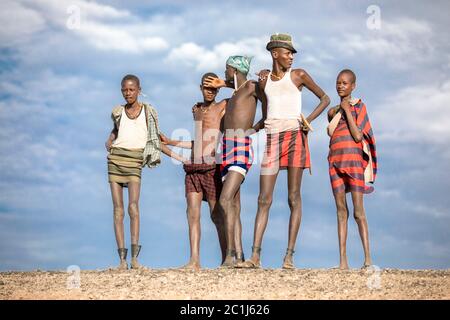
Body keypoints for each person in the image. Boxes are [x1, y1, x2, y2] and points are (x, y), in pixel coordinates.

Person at [238, 34, 330, 269]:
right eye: (287, 52)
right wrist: (252, 130)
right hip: (272, 140)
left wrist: (307, 120)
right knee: (263, 199)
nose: (291, 56)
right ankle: (255, 257)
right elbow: (267, 113)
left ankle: (289, 257)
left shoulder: (298, 75)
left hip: (295, 138)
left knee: (293, 197)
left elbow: (325, 98)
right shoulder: (264, 80)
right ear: (274, 53)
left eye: (292, 53)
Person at [105, 74, 185, 270]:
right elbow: (116, 130)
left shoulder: (148, 112)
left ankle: (135, 260)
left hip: (135, 161)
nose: (128, 93)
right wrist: (109, 139)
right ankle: (122, 262)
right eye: (124, 90)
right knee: (118, 210)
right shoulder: (117, 112)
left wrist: (180, 158)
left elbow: (156, 140)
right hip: (116, 160)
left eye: (131, 89)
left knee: (133, 208)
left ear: (139, 90)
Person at [203, 55, 264, 267]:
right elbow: (234, 83)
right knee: (234, 206)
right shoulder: (237, 92)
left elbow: (267, 97)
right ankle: (239, 256)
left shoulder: (251, 87)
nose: (224, 73)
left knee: (224, 200)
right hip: (226, 150)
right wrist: (225, 83)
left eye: (227, 69)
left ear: (234, 70)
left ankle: (229, 255)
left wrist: (254, 128)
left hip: (241, 149)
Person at [163, 73, 228, 270]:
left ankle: (227, 259)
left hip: (211, 166)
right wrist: (171, 142)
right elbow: (197, 141)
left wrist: (224, 83)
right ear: (200, 88)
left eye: (214, 88)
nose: (210, 91)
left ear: (218, 89)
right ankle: (194, 260)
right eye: (207, 87)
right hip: (193, 166)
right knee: (192, 213)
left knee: (217, 215)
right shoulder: (197, 109)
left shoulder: (223, 105)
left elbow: (245, 89)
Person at [327, 69, 377, 269]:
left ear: (353, 86)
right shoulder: (332, 112)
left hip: (354, 163)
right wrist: (340, 110)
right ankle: (343, 262)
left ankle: (367, 260)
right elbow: (332, 133)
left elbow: (358, 136)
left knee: (358, 212)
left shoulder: (359, 107)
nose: (340, 86)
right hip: (335, 163)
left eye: (345, 83)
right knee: (341, 211)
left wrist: (346, 109)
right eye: (338, 82)